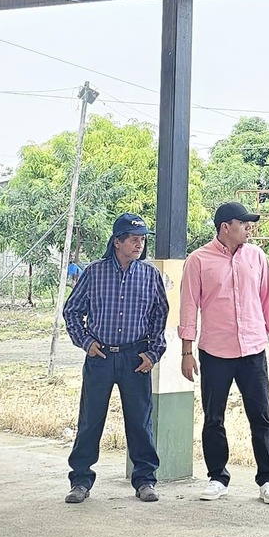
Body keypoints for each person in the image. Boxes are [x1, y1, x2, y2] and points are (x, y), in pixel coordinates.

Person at [179, 200, 269, 503]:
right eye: (244, 224)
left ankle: (268, 479)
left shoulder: (256, 256)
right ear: (226, 227)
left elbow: (268, 299)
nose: (249, 229)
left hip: (253, 349)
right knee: (214, 418)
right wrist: (186, 352)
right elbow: (189, 306)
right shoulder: (198, 260)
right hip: (215, 352)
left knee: (261, 416)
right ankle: (217, 477)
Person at [62, 213, 167, 504]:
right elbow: (72, 311)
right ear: (117, 241)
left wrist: (153, 353)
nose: (139, 245)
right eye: (133, 239)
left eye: (142, 239)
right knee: (90, 420)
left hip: (136, 358)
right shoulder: (94, 273)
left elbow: (160, 316)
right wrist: (86, 342)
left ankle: (145, 480)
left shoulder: (150, 275)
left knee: (140, 422)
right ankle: (80, 481)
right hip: (101, 356)